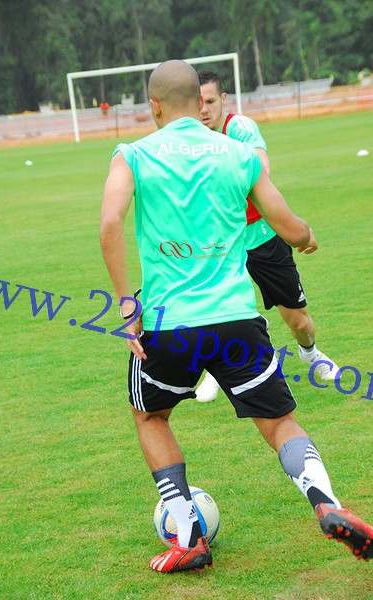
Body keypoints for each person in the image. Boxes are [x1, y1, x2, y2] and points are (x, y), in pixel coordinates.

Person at [100, 60, 373, 573]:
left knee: (150, 416)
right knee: (280, 422)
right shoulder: (238, 153)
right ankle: (326, 503)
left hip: (168, 324)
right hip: (236, 321)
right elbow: (287, 225)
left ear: (154, 106)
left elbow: (110, 222)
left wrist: (125, 303)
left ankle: (189, 536)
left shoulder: (133, 154)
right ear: (198, 102)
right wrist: (305, 235)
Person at [195, 70, 339, 403]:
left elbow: (261, 171)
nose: (203, 110)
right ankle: (215, 370)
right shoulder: (188, 140)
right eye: (197, 103)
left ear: (224, 100)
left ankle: (310, 353)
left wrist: (295, 229)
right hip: (219, 243)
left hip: (262, 235)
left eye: (210, 101)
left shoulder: (239, 128)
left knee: (299, 322)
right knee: (217, 313)